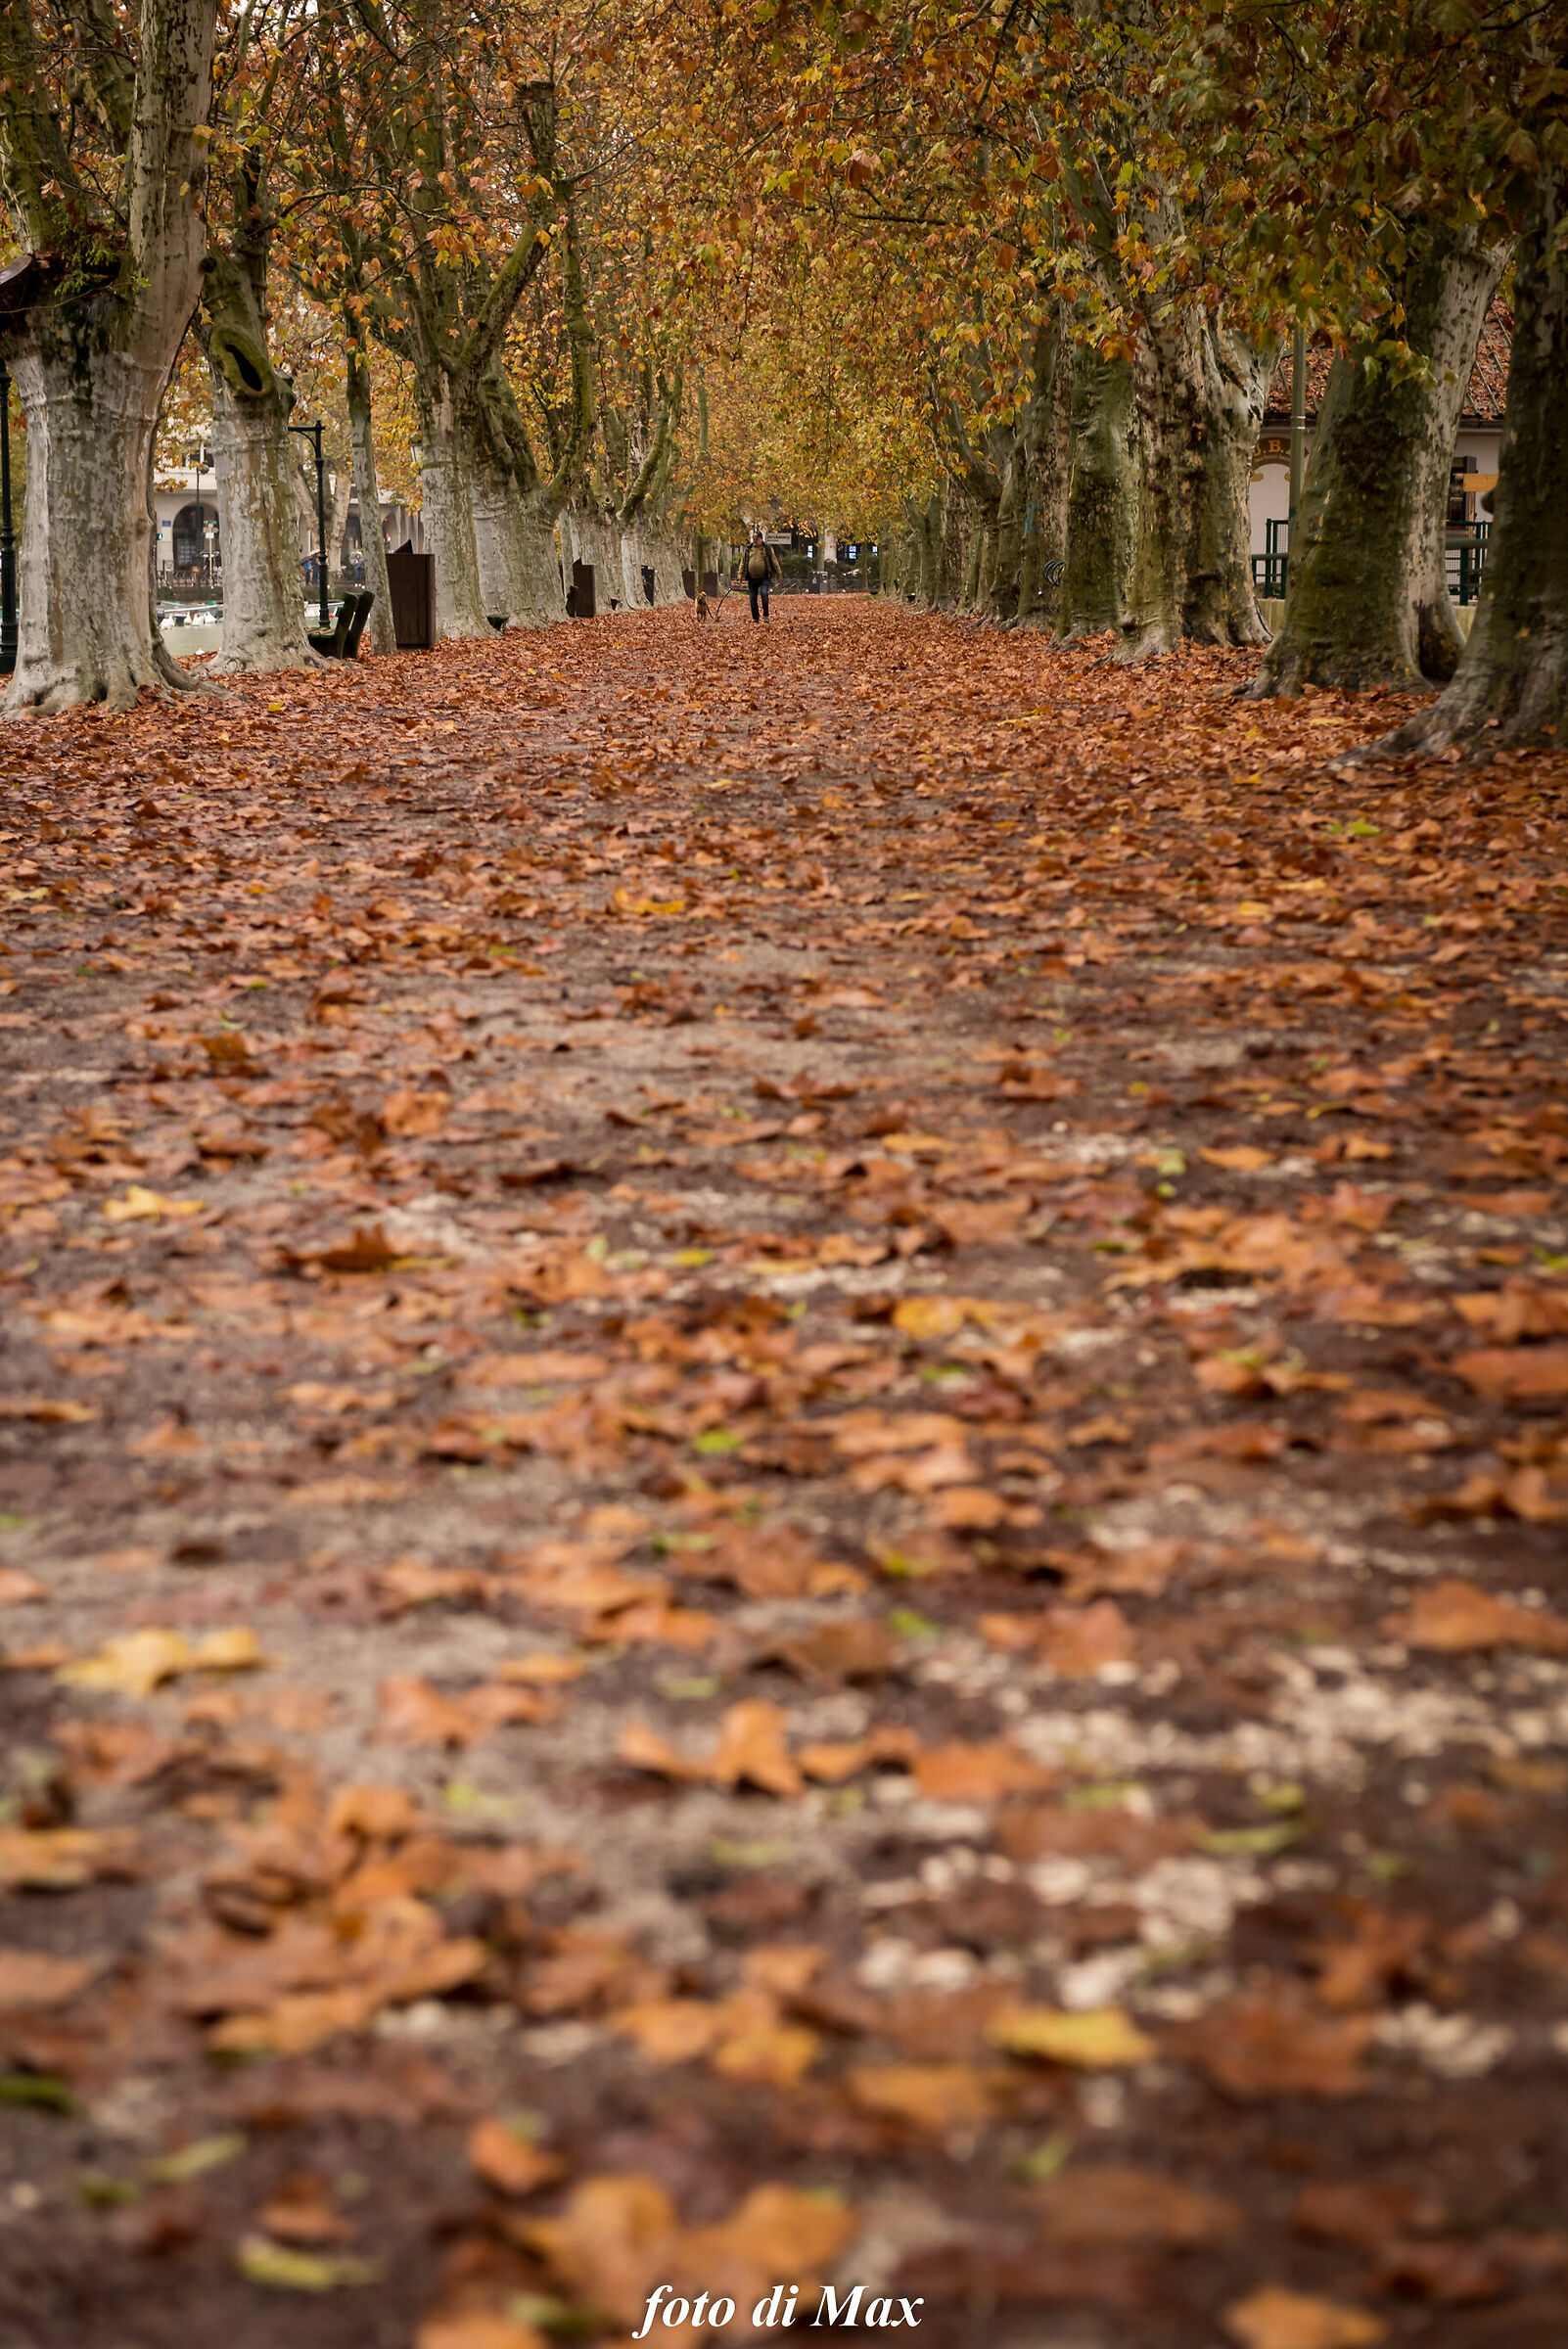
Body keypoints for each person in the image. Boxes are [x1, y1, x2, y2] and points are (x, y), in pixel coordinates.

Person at [743, 527, 781, 622]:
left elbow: (774, 561)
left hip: (764, 577)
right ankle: (755, 617)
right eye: (754, 539)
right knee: (752, 599)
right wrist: (740, 574)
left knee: (764, 594)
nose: (755, 541)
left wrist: (778, 573)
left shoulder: (767, 548)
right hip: (751, 578)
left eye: (757, 539)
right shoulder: (748, 548)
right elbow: (743, 562)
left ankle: (766, 615)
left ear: (761, 539)